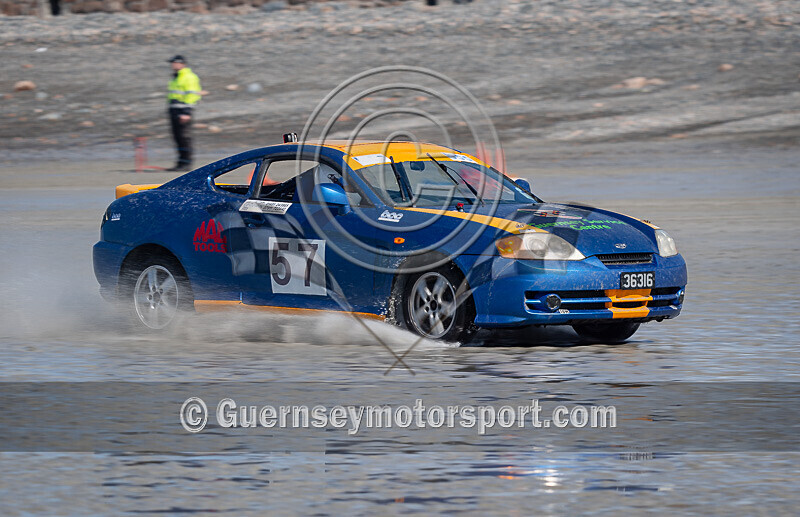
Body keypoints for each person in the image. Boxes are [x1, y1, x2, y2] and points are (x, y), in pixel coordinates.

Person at [166, 55, 202, 171]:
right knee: (177, 137)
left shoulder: (189, 77)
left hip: (183, 110)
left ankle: (187, 163)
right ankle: (181, 162)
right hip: (174, 110)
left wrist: (186, 112)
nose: (173, 65)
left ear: (181, 64)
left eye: (175, 63)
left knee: (184, 137)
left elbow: (192, 95)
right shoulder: (176, 77)